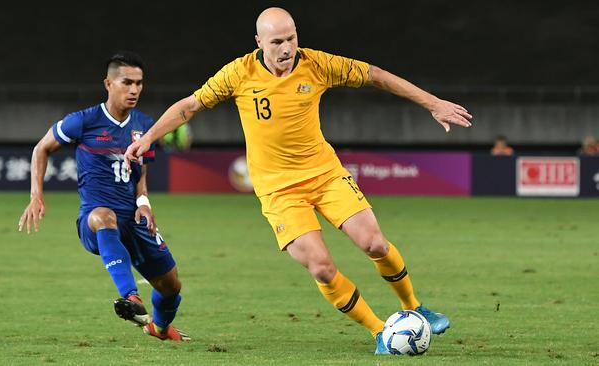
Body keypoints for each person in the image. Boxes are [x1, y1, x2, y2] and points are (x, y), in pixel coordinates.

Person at [125, 8, 473, 355]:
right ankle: (382, 332)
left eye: (291, 38)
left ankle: (415, 307)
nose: (287, 47)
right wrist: (149, 137)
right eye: (277, 41)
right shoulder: (239, 73)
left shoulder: (317, 64)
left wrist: (433, 103)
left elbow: (376, 75)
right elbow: (189, 106)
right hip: (279, 191)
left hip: (325, 174)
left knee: (375, 244)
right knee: (322, 267)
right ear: (260, 42)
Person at [18, 51, 189, 342]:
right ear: (108, 84)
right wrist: (37, 196)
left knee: (171, 288)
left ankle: (159, 328)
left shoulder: (144, 125)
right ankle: (130, 297)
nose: (134, 89)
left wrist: (144, 204)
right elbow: (41, 148)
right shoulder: (83, 121)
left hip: (133, 218)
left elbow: (141, 175)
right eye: (127, 82)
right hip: (95, 222)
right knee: (103, 215)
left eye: (139, 83)